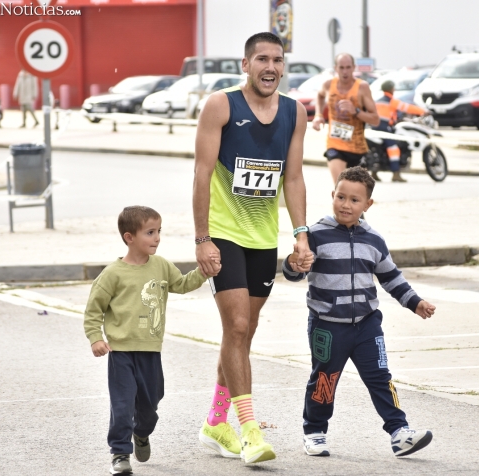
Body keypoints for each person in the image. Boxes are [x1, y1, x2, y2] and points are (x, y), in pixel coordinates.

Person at [193, 32, 312, 464]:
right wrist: (202, 238)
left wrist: (301, 234)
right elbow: (202, 173)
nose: (270, 67)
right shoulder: (221, 106)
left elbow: (293, 178)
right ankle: (249, 431)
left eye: (278, 60)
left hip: (264, 237)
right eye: (261, 59)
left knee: (240, 335)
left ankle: (214, 421)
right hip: (224, 233)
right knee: (239, 328)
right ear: (245, 64)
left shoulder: (295, 113)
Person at [282, 166, 437, 458]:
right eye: (341, 197)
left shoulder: (374, 240)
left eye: (355, 200)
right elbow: (295, 273)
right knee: (324, 380)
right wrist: (293, 263)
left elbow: (391, 278)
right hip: (327, 327)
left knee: (380, 377)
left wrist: (415, 302)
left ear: (368, 205)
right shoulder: (316, 235)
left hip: (367, 325)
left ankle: (399, 432)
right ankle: (314, 431)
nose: (346, 205)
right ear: (332, 195)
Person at [83, 206, 219, 475]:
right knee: (122, 405)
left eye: (158, 232)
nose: (157, 238)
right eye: (150, 232)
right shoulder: (112, 274)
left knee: (151, 404)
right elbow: (93, 310)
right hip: (121, 352)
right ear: (129, 237)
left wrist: (204, 272)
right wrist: (95, 338)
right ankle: (120, 453)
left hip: (150, 351)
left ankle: (141, 433)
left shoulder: (161, 265)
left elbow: (181, 284)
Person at [312, 53, 379, 183]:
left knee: (356, 193)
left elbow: (375, 119)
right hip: (335, 145)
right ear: (335, 68)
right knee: (340, 186)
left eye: (348, 67)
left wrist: (356, 111)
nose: (345, 71)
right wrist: (318, 115)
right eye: (341, 67)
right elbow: (319, 96)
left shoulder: (362, 87)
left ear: (354, 68)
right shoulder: (328, 85)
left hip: (357, 147)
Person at [372, 80, 430, 182]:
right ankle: (396, 173)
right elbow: (408, 108)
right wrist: (424, 111)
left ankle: (374, 173)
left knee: (381, 149)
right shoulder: (392, 101)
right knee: (394, 148)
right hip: (384, 129)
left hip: (374, 128)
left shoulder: (378, 101)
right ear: (391, 89)